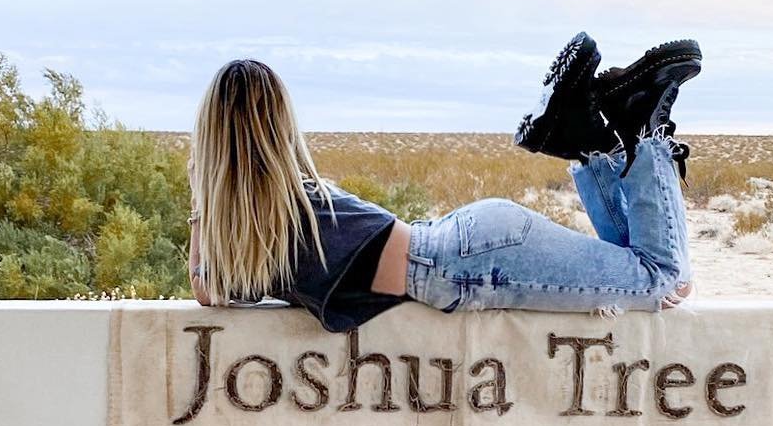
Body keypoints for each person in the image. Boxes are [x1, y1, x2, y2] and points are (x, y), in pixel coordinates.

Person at [187, 33, 700, 333]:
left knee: (663, 280)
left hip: (470, 263)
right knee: (640, 270)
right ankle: (595, 142)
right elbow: (210, 288)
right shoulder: (286, 212)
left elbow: (207, 286)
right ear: (282, 125)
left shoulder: (280, 219)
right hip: (471, 246)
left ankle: (635, 133)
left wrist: (203, 196)